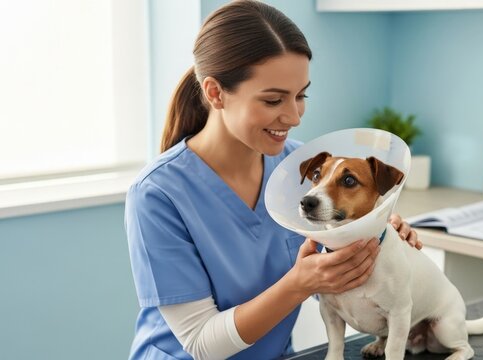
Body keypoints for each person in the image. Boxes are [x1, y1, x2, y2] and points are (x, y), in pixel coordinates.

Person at [125, 1, 420, 359]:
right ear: (216, 93)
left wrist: (373, 235)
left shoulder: (301, 169)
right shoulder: (158, 194)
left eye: (301, 95)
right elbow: (201, 344)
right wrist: (299, 285)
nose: (294, 116)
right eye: (273, 99)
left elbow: (330, 265)